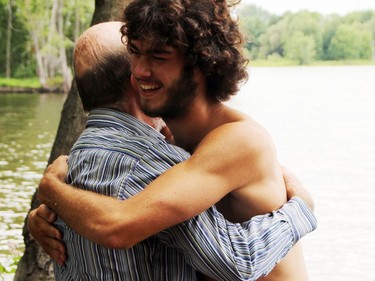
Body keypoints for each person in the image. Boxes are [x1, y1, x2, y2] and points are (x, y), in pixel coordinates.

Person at [32, 1, 317, 280]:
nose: (139, 71)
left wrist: (52, 189)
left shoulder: (238, 140)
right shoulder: (165, 143)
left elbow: (119, 224)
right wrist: (48, 217)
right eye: (135, 53)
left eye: (159, 56)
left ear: (201, 63)